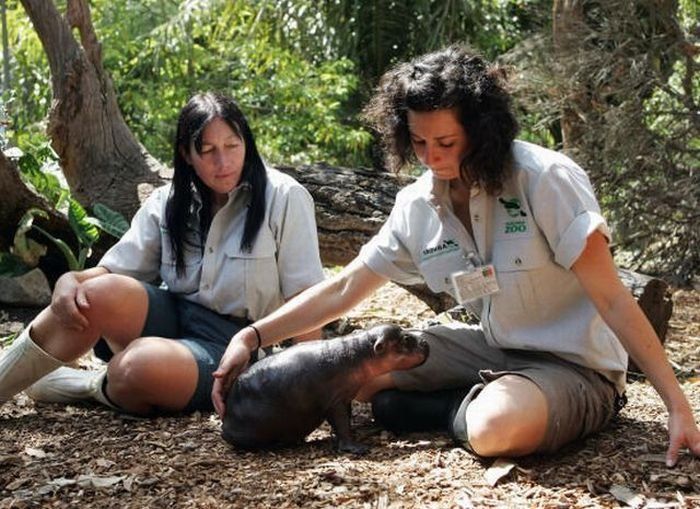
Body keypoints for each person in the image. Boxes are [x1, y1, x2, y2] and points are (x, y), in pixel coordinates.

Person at [212, 46, 700, 465]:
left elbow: (614, 299)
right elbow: (345, 287)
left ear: (481, 129)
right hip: (490, 346)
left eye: (445, 142)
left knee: (495, 429)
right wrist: (253, 336)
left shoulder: (545, 179)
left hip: (574, 365)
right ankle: (467, 401)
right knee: (358, 376)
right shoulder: (417, 205)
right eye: (419, 142)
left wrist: (677, 405)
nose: (432, 157)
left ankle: (449, 412)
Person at [0, 92, 324, 415]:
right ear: (186, 154)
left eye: (232, 146)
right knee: (92, 293)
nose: (223, 162)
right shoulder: (166, 202)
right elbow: (115, 271)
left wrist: (309, 389)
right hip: (175, 316)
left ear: (247, 144)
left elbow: (307, 298)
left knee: (135, 369)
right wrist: (71, 280)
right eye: (208, 150)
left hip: (240, 344)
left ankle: (91, 387)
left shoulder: (284, 197)